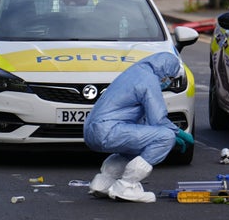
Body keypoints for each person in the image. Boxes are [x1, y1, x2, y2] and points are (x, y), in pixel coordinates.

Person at [83, 52, 194, 203]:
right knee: (165, 137)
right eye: (171, 77)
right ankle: (127, 186)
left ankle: (103, 182)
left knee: (139, 144)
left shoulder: (134, 73)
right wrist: (178, 133)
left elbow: (144, 121)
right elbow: (158, 118)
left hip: (91, 132)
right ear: (165, 72)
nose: (168, 81)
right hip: (109, 131)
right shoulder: (149, 80)